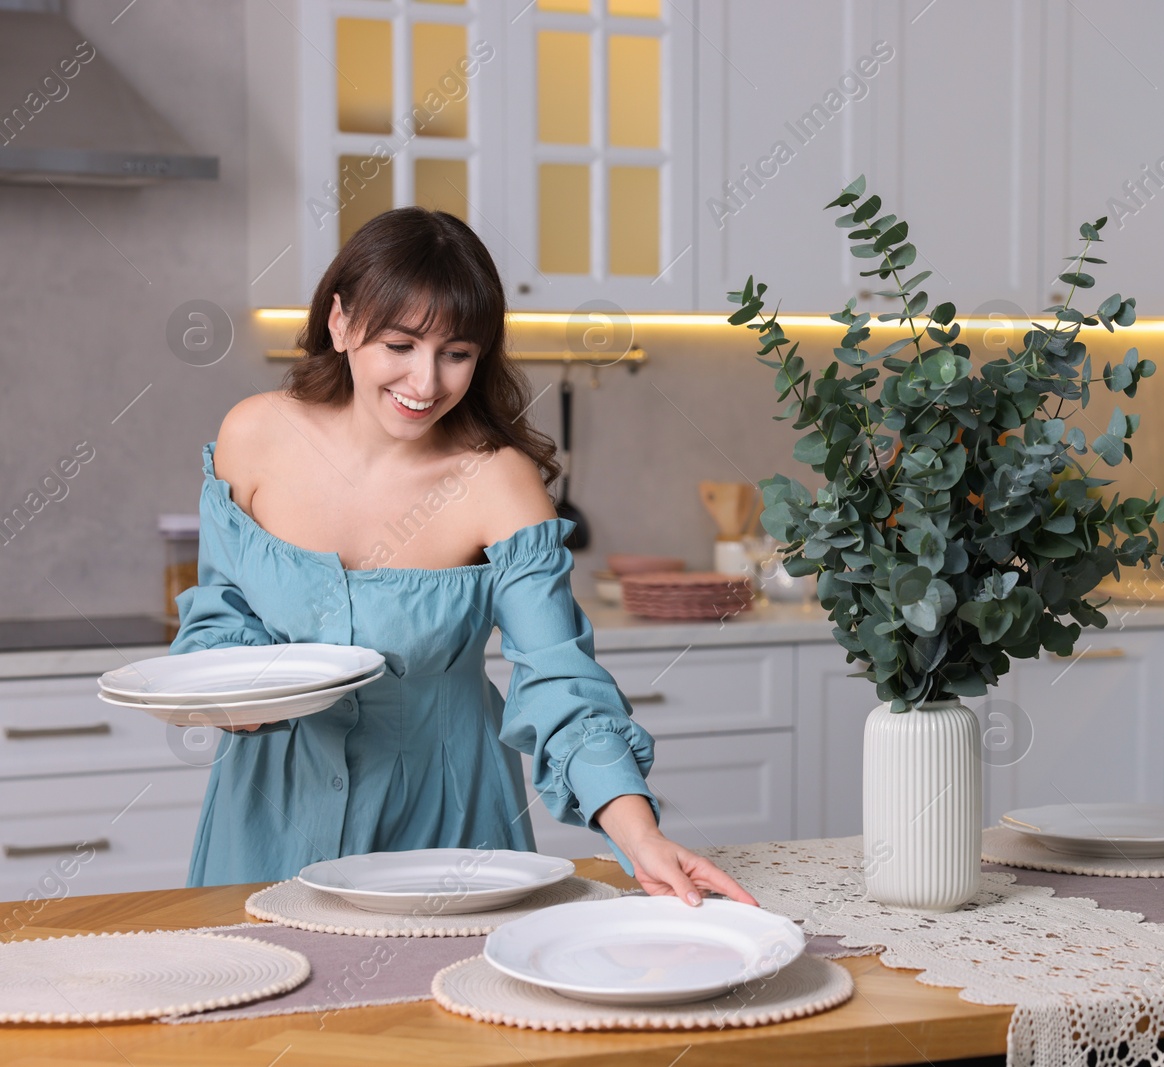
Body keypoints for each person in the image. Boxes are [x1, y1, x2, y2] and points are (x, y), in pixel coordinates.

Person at [173, 207, 754, 907]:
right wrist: (233, 698)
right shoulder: (255, 434)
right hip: (267, 809)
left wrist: (639, 835)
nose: (425, 383)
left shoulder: (498, 481)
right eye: (400, 344)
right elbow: (220, 618)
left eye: (456, 352)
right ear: (340, 323)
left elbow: (561, 683)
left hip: (446, 822)